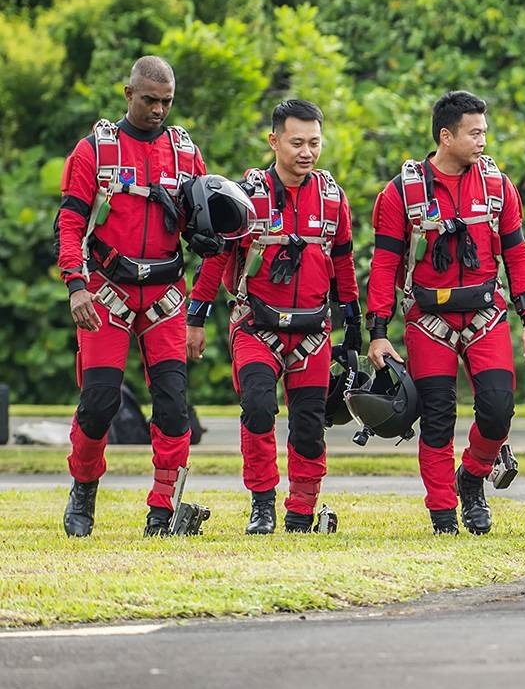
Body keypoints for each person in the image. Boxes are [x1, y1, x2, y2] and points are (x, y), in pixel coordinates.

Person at [365, 90, 525, 534]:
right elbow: (385, 263)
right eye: (475, 132)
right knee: (438, 417)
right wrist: (378, 330)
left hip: (487, 316)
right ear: (446, 137)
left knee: (499, 409)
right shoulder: (400, 193)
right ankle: (444, 515)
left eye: (485, 131)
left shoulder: (499, 187)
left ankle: (473, 479)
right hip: (429, 321)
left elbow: (518, 256)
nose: (484, 140)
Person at [185, 100, 359, 534]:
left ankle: (301, 511)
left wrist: (356, 326)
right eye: (297, 142)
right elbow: (215, 260)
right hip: (256, 327)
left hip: (313, 332)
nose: (307, 152)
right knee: (258, 409)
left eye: (314, 143)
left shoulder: (334, 198)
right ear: (274, 140)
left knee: (308, 425)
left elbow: (344, 263)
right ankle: (262, 505)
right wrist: (195, 318)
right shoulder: (246, 195)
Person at [59, 56, 211, 537]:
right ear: (128, 94)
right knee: (100, 401)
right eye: (149, 100)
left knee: (172, 405)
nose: (159, 110)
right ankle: (83, 488)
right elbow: (69, 223)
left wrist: (212, 235)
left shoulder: (186, 154)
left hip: (166, 295)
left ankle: (162, 508)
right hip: (106, 292)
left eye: (167, 102)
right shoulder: (94, 151)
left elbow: (206, 222)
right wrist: (75, 284)